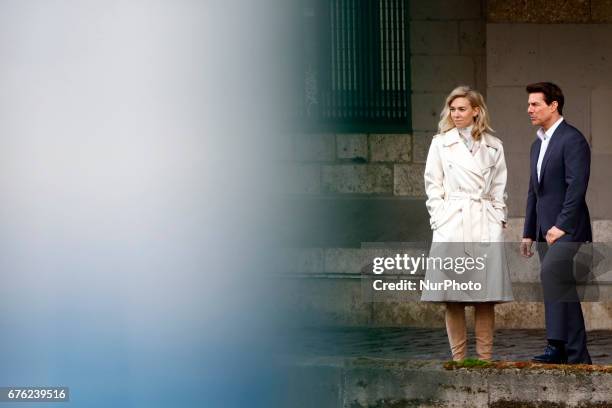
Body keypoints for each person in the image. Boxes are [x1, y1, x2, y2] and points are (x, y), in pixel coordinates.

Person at [421, 85, 513, 361]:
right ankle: (459, 360)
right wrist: (439, 217)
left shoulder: (494, 145)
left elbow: (500, 187)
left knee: (486, 296)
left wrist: (498, 217)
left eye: (462, 109)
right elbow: (432, 184)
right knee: (453, 295)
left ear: (476, 111)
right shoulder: (441, 143)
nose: (456, 114)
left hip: (484, 220)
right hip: (453, 222)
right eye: (452, 109)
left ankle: (484, 359)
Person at [520, 82, 592, 365]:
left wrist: (561, 224)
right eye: (529, 104)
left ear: (554, 105)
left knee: (552, 276)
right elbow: (533, 191)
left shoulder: (572, 139)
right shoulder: (537, 143)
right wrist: (528, 231)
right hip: (544, 230)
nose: (529, 109)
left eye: (535, 104)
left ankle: (556, 344)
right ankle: (575, 354)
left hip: (568, 228)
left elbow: (577, 186)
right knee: (561, 285)